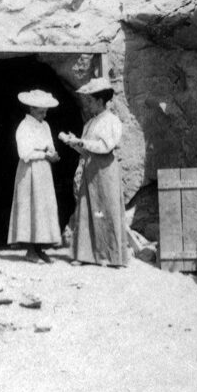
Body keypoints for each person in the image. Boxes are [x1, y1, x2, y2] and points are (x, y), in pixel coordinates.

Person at [60, 77, 128, 267]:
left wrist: (82, 143)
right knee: (87, 210)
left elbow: (105, 147)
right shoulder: (90, 123)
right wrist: (74, 143)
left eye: (90, 100)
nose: (87, 104)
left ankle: (111, 256)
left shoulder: (112, 121)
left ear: (99, 101)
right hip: (90, 169)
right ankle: (86, 255)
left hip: (105, 171)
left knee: (106, 210)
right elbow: (86, 149)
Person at [8, 89, 62, 263]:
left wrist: (52, 153)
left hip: (44, 171)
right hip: (29, 170)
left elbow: (50, 144)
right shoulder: (24, 127)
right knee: (30, 207)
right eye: (41, 110)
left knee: (43, 208)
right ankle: (30, 249)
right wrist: (45, 155)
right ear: (31, 108)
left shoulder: (44, 125)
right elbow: (24, 153)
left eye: (46, 110)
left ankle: (40, 248)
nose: (44, 114)